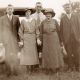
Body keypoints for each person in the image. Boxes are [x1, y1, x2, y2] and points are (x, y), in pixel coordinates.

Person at [40, 9, 64, 74]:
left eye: (49, 15)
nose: (48, 16)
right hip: (46, 39)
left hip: (54, 38)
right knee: (47, 53)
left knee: (54, 53)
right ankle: (48, 69)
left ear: (52, 15)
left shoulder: (55, 21)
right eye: (47, 15)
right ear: (45, 15)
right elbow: (41, 32)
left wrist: (61, 40)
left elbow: (59, 31)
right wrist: (41, 40)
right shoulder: (43, 22)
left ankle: (56, 68)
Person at [0, 4, 20, 76]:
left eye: (11, 9)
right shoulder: (2, 18)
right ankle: (8, 72)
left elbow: (18, 30)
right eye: (8, 9)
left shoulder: (16, 18)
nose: (10, 10)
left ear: (13, 10)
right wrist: (1, 41)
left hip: (14, 40)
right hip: (6, 41)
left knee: (15, 56)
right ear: (6, 10)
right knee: (7, 56)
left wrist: (19, 40)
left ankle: (15, 71)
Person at [60, 3, 80, 71]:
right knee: (69, 54)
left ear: (71, 8)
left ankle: (77, 67)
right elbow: (61, 30)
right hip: (67, 39)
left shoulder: (76, 16)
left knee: (77, 53)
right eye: (66, 8)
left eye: (69, 7)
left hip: (76, 38)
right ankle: (70, 67)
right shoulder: (63, 18)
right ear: (65, 9)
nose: (67, 8)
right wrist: (62, 41)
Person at [18, 8, 39, 74]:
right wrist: (21, 40)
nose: (27, 13)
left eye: (29, 12)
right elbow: (20, 31)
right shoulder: (23, 21)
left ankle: (32, 68)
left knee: (33, 53)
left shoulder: (34, 20)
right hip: (26, 38)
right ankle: (28, 69)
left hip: (33, 38)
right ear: (25, 13)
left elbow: (37, 30)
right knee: (26, 54)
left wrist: (37, 38)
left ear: (30, 13)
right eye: (26, 12)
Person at [31, 2, 46, 67]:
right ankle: (35, 64)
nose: (38, 8)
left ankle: (43, 64)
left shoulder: (44, 16)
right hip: (34, 35)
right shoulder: (32, 16)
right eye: (37, 6)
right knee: (35, 49)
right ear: (35, 7)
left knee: (43, 49)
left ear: (41, 8)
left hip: (43, 35)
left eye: (40, 6)